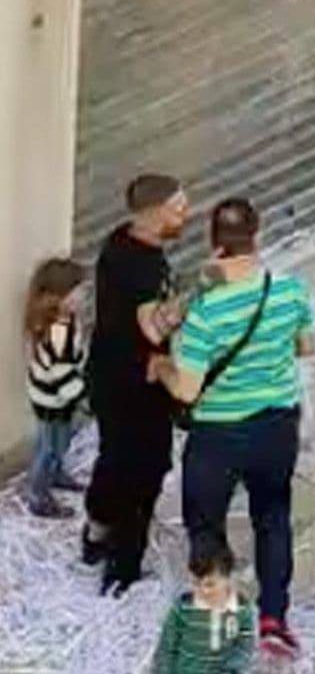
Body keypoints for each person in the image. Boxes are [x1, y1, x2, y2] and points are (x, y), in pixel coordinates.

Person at [151, 197, 315, 657]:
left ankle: (218, 614)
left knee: (205, 525)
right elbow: (306, 346)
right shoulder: (289, 290)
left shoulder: (205, 312)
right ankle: (273, 619)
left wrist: (161, 366)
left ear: (214, 243)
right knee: (273, 516)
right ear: (257, 235)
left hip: (218, 436)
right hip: (277, 426)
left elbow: (186, 391)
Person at [84, 173, 190, 597]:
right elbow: (151, 327)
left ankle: (95, 531)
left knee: (113, 459)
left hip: (110, 374)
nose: (186, 215)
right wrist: (195, 297)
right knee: (143, 474)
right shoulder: (141, 265)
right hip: (136, 386)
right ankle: (122, 568)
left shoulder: (120, 241)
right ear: (152, 213)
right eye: (178, 208)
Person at [23, 257, 88, 519]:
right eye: (79, 292)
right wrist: (84, 400)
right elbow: (61, 375)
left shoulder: (66, 320)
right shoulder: (58, 332)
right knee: (48, 447)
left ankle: (56, 473)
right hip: (53, 400)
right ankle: (37, 494)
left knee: (59, 441)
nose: (84, 297)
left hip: (56, 396)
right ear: (58, 297)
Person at [150, 536, 255, 673]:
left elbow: (243, 647)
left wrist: (231, 668)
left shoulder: (240, 611)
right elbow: (166, 649)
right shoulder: (183, 609)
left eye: (210, 584)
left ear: (227, 578)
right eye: (196, 583)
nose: (202, 591)